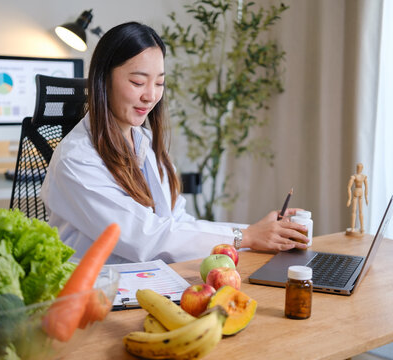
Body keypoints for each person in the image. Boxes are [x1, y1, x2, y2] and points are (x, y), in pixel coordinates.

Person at [41, 22, 309, 264]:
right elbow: (145, 237)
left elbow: (177, 222)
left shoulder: (144, 141)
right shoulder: (76, 159)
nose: (150, 96)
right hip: (93, 296)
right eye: (137, 82)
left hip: (146, 282)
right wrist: (246, 236)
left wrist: (257, 234)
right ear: (103, 80)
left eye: (159, 83)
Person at [346, 163, 369, 234]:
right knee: (354, 211)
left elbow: (366, 187)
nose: (358, 169)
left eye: (360, 168)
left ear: (362, 168)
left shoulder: (363, 177)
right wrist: (349, 199)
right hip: (356, 192)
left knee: (361, 211)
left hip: (360, 192)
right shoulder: (354, 177)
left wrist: (366, 197)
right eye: (357, 167)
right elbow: (349, 187)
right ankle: (352, 228)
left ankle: (362, 228)